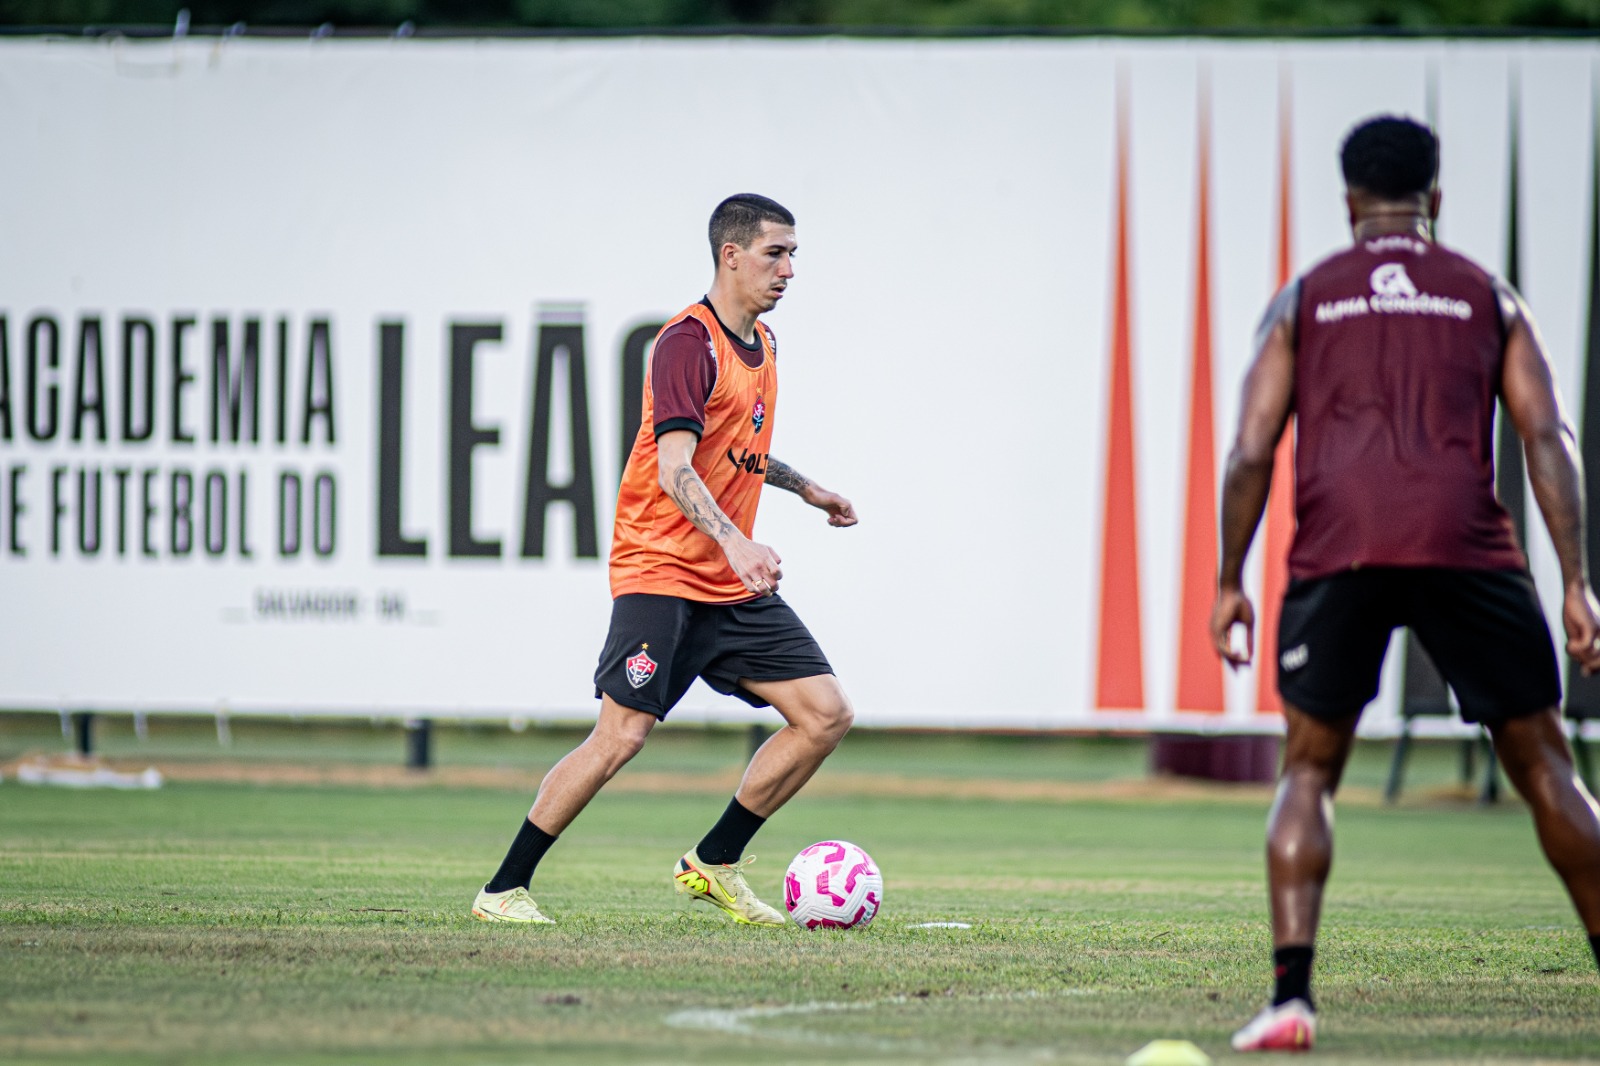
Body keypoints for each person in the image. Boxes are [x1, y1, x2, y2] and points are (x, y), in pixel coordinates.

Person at [1210, 115, 1600, 1052]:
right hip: (1467, 545)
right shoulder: (1487, 296)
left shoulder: (1305, 299)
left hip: (1337, 549)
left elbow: (1252, 448)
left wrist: (1229, 579)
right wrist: (1578, 583)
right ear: (1435, 199)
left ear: (1349, 203)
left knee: (1309, 769)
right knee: (1549, 766)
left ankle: (1291, 1000)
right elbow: (1549, 439)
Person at [471, 193, 858, 926]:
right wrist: (736, 540)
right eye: (776, 253)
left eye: (795, 255)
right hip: (662, 570)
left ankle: (712, 864)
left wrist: (807, 489)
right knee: (621, 737)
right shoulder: (688, 342)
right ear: (730, 255)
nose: (789, 270)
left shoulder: (764, 345)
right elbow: (675, 463)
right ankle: (502, 891)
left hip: (727, 583)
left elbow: (735, 449)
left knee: (826, 715)